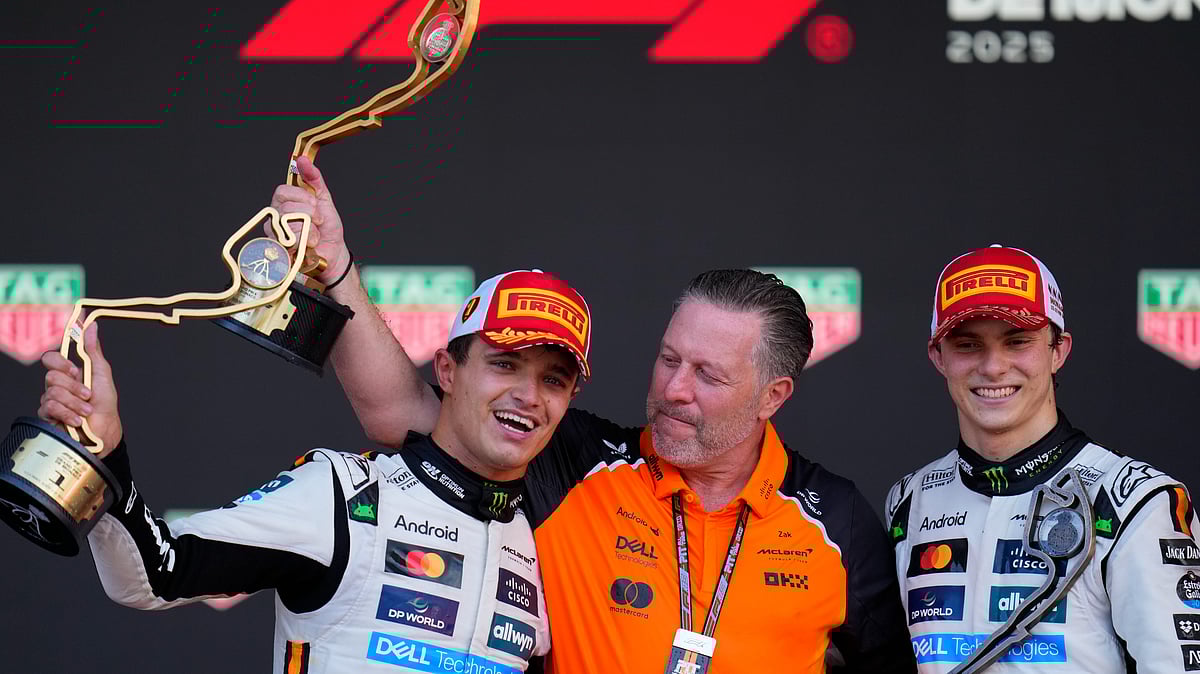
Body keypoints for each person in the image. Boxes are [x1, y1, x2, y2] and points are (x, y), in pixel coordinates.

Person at [283, 160, 915, 672]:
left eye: (709, 375)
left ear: (773, 396)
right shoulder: (573, 461)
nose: (673, 389)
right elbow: (400, 410)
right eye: (669, 359)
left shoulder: (837, 520)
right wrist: (335, 268)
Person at [38, 267, 595, 674]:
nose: (527, 396)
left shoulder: (546, 541)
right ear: (448, 370)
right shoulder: (344, 495)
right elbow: (152, 576)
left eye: (553, 380)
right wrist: (105, 454)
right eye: (504, 364)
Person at [885, 245, 1200, 672]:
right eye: (968, 344)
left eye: (1017, 341)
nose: (993, 366)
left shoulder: (1134, 502)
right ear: (938, 358)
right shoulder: (910, 501)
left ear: (1058, 350)